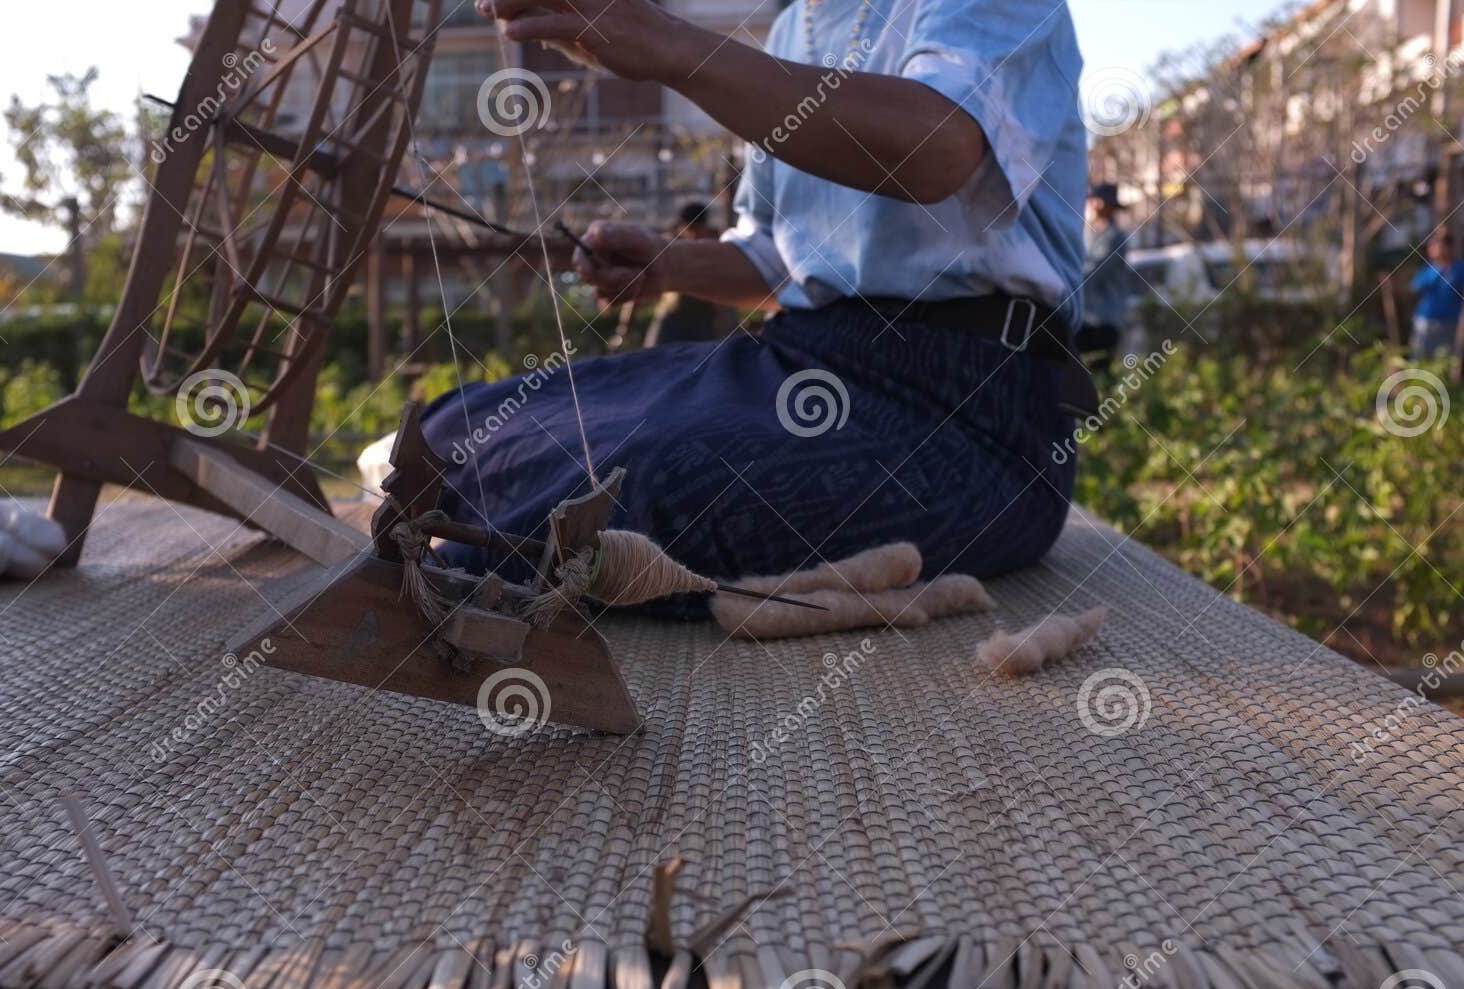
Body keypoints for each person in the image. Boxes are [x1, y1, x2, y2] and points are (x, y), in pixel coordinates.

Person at [423, 0, 1090, 601]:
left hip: (968, 412)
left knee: (642, 488)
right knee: (464, 425)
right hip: (800, 358)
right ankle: (435, 552)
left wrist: (675, 48)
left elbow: (937, 146)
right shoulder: (792, 25)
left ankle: (431, 590)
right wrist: (669, 264)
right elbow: (781, 257)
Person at [643, 202, 734, 346]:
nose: (692, 235)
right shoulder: (667, 247)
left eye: (697, 230)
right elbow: (642, 280)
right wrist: (625, 324)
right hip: (670, 320)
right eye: (689, 229)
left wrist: (725, 325)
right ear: (681, 227)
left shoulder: (715, 250)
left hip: (704, 323)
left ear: (705, 226)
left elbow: (724, 296)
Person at [1078, 184, 1133, 369]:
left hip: (1104, 319)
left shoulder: (1114, 237)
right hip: (1085, 318)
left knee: (1098, 374)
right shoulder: (1088, 232)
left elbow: (1093, 272)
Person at [1409, 232, 1464, 360]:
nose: (1431, 250)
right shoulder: (1428, 269)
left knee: (1445, 360)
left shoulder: (1460, 269)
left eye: (1435, 246)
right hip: (1425, 322)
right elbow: (1413, 288)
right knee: (1419, 358)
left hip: (1451, 323)